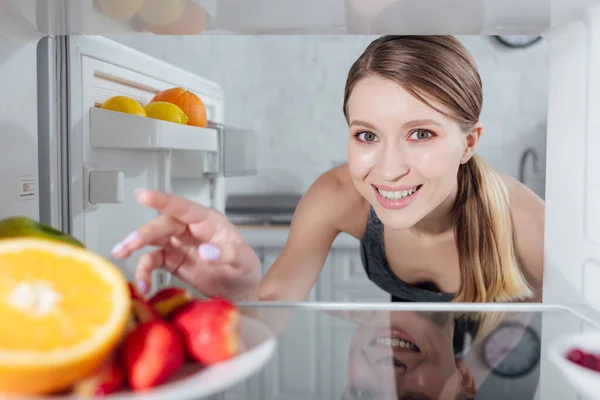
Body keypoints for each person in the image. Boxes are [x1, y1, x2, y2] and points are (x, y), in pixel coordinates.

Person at [111, 35, 545, 305]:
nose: (388, 171)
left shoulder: (525, 222)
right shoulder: (338, 196)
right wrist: (242, 291)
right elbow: (274, 310)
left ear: (469, 142)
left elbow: (575, 333)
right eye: (367, 136)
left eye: (421, 134)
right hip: (411, 346)